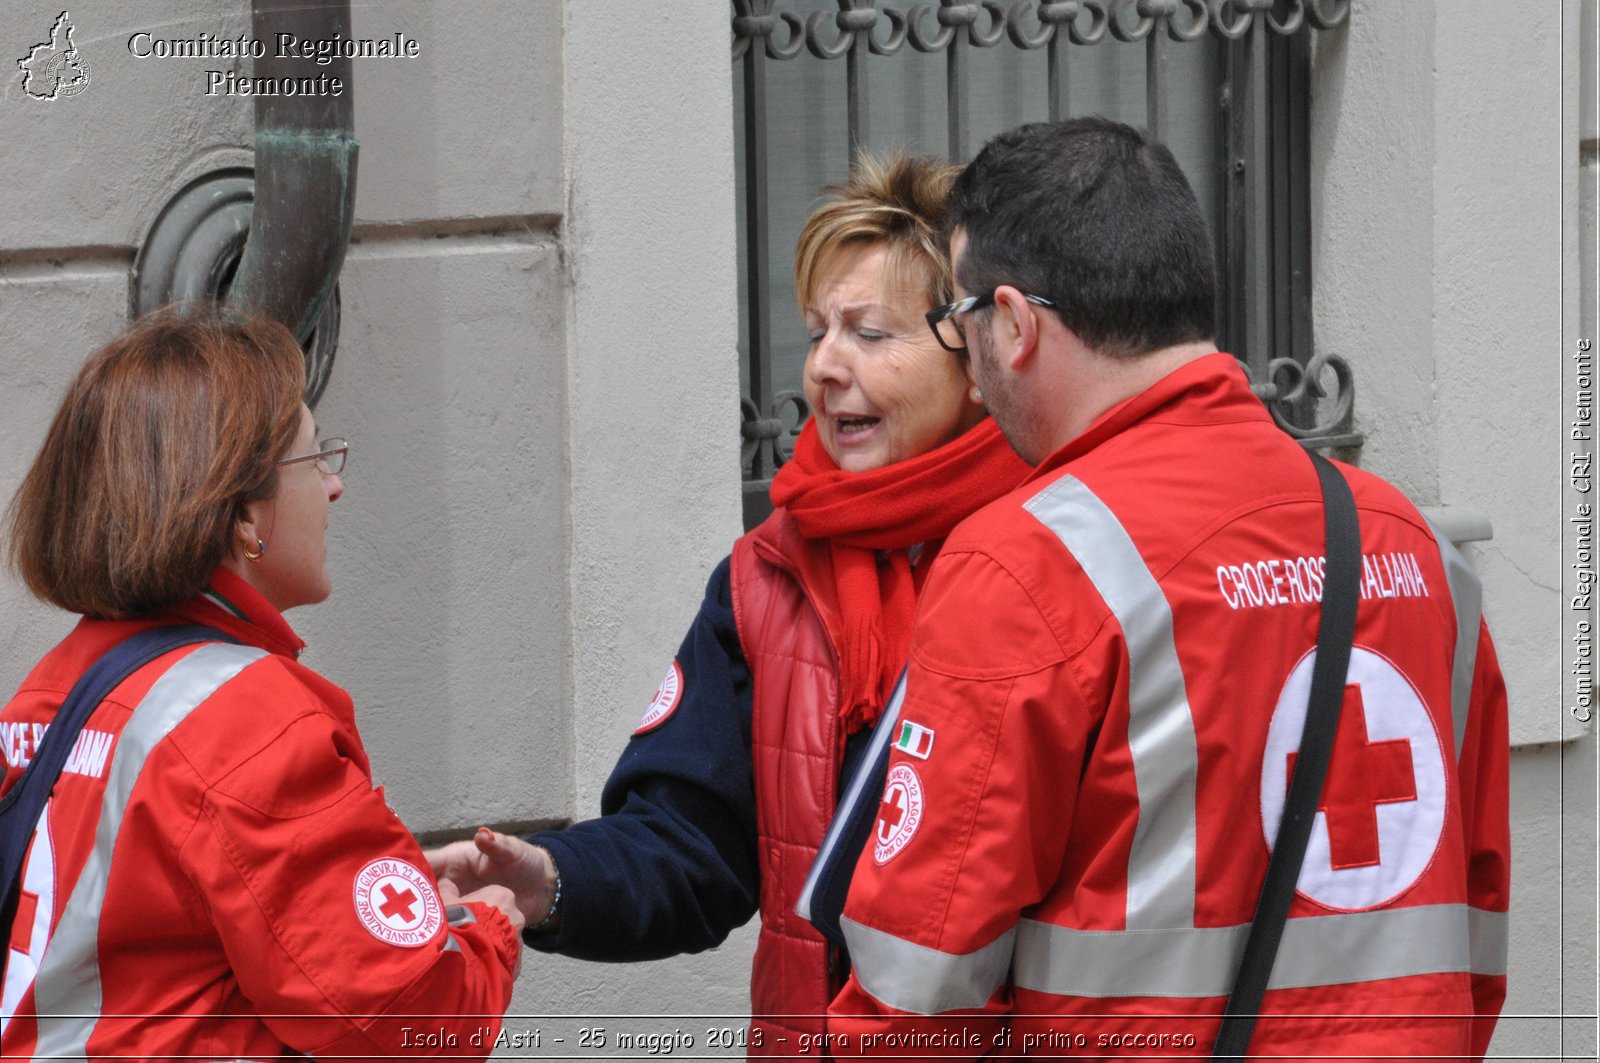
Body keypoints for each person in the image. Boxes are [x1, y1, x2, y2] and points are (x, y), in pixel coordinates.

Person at [826, 117, 1510, 1059]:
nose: (971, 369)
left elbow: (917, 993)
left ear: (1017, 323)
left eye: (963, 321)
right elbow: (1474, 928)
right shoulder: (1416, 547)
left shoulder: (1021, 567)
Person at [427, 155, 1030, 1051]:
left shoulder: (1056, 554)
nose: (823, 366)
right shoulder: (763, 579)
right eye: (818, 330)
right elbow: (693, 840)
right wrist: (551, 879)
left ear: (975, 358)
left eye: (868, 334)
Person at [0, 308, 523, 1059]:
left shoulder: (53, 689)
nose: (336, 487)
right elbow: (418, 1018)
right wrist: (488, 923)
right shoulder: (244, 718)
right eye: (315, 460)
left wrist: (368, 873)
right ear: (245, 515)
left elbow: (152, 919)